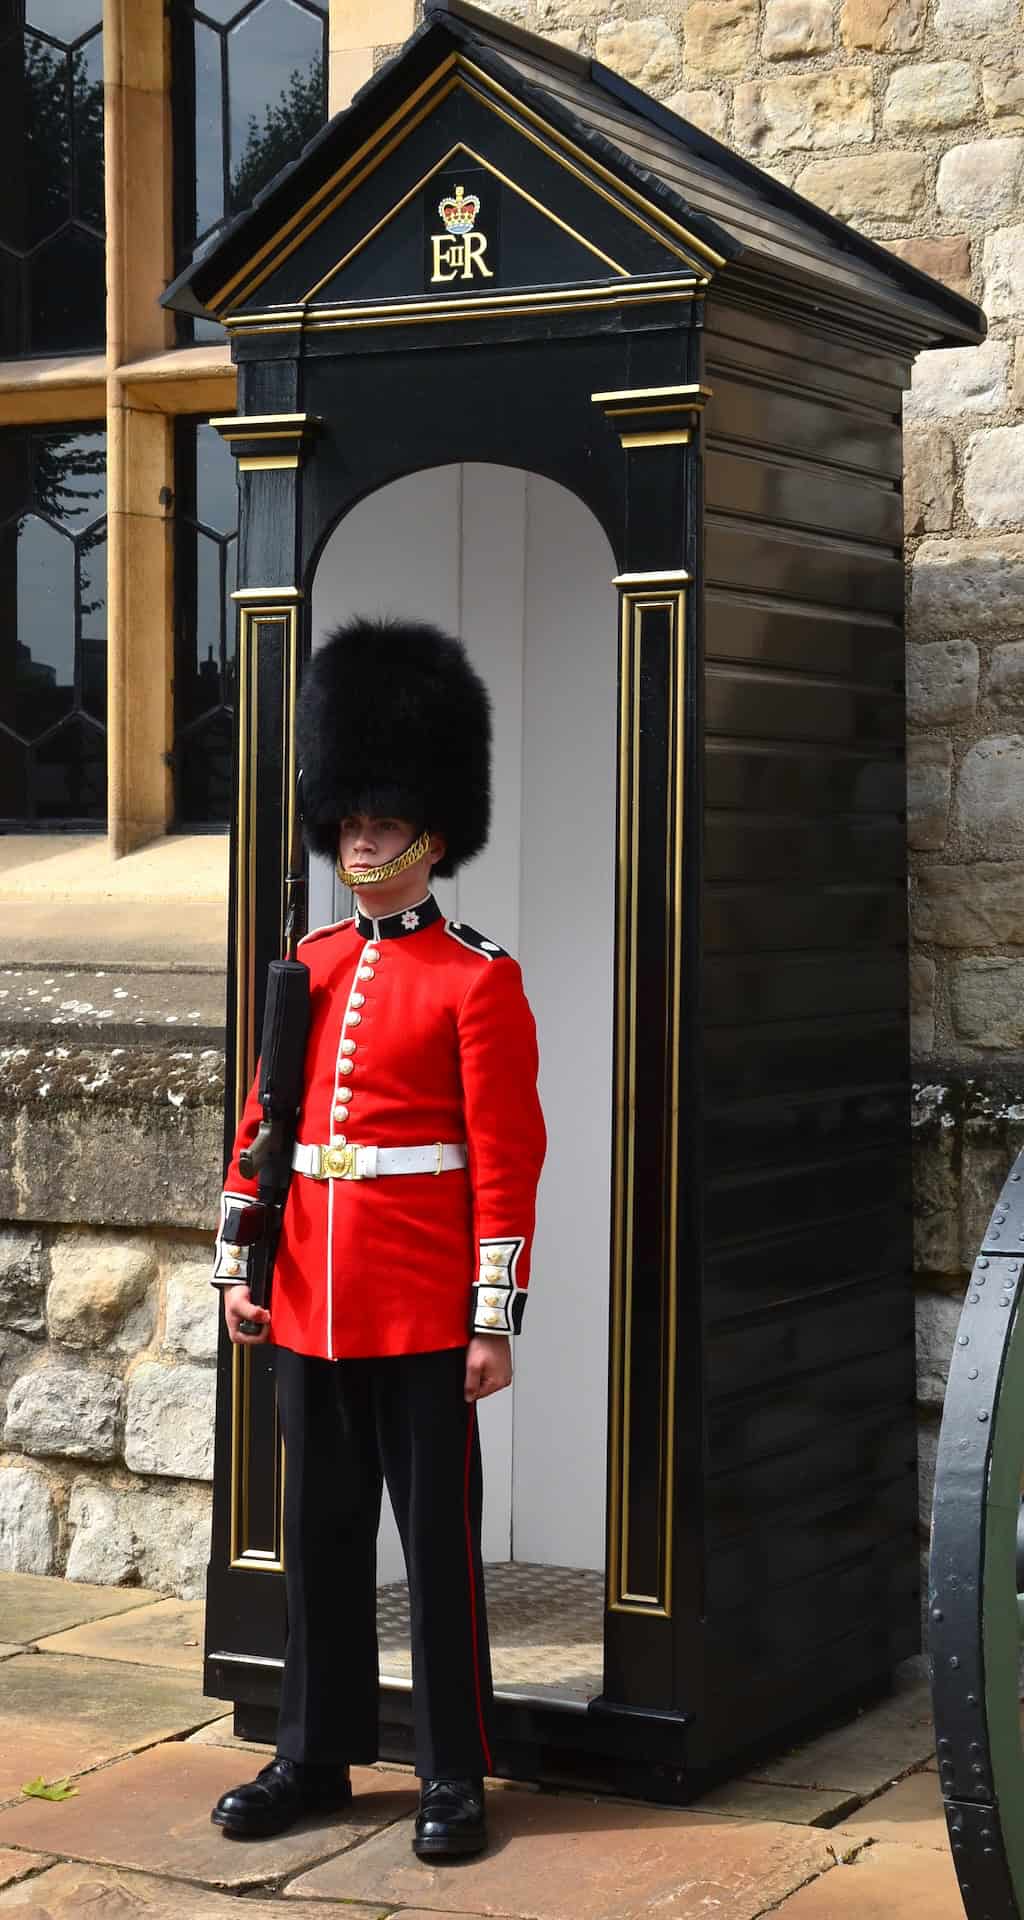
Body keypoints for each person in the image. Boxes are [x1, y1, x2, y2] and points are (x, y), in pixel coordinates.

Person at [208, 617, 546, 1858]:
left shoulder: (476, 979)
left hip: (417, 1307)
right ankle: (314, 1756)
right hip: (308, 1299)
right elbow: (267, 1124)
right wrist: (242, 1263)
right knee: (321, 1543)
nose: (360, 835)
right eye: (347, 816)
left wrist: (490, 1316)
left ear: (430, 834)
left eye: (382, 819)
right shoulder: (308, 963)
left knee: (438, 1551)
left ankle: (455, 1774)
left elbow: (507, 1160)